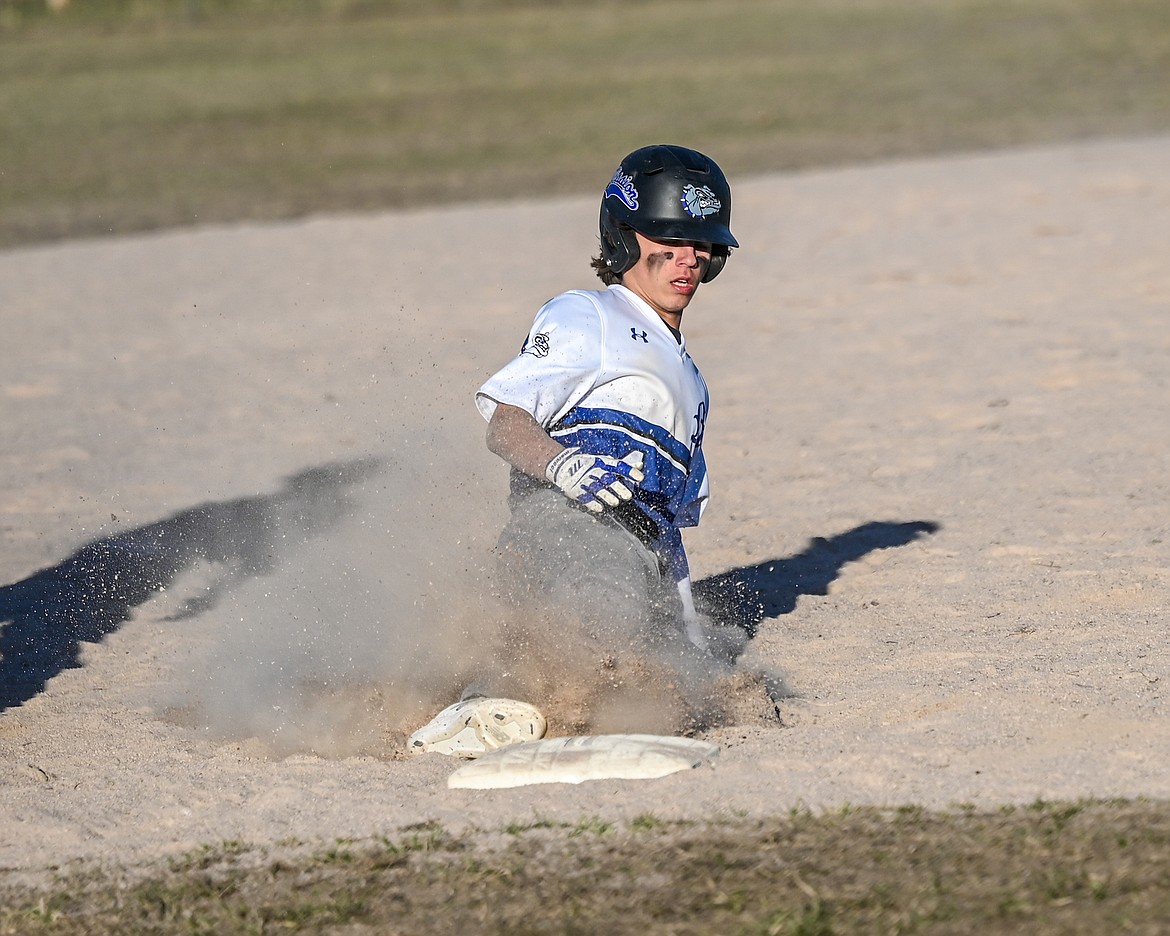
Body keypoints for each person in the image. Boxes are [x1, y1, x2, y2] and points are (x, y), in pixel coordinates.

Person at [409, 145, 740, 757]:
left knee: (667, 678)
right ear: (623, 236)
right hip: (567, 527)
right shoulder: (589, 314)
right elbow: (506, 422)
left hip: (639, 555)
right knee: (592, 643)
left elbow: (668, 535)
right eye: (669, 240)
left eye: (703, 245)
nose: (688, 259)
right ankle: (479, 709)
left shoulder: (690, 382)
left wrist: (687, 629)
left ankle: (497, 691)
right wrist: (560, 464)